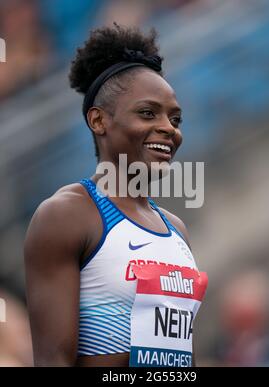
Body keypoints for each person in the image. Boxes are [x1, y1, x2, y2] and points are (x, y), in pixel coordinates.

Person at [24, 24, 207, 367]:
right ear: (98, 121)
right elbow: (52, 360)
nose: (169, 127)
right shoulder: (67, 216)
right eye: (148, 113)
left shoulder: (177, 229)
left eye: (176, 119)